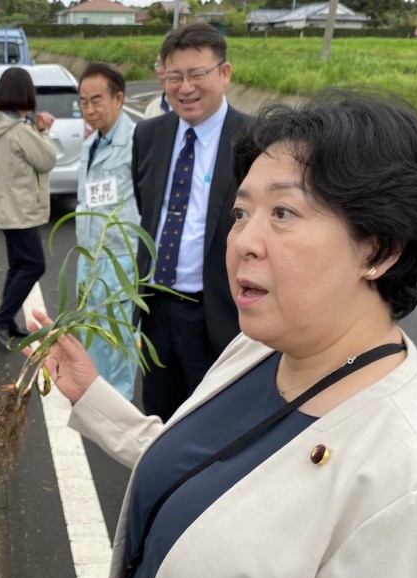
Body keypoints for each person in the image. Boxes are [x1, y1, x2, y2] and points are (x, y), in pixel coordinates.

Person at [30, 90, 417, 578]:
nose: (244, 241)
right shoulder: (261, 351)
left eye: (283, 213)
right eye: (241, 212)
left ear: (380, 249)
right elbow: (217, 479)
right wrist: (93, 396)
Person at [132, 23, 250, 422]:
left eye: (197, 74)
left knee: (215, 423)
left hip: (218, 312)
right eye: (173, 77)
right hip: (155, 309)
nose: (185, 88)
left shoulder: (254, 140)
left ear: (224, 74)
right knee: (158, 417)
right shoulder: (148, 136)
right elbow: (147, 211)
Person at [74, 63, 140, 400]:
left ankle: (120, 408)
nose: (89, 110)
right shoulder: (92, 144)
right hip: (91, 260)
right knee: (93, 337)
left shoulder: (135, 143)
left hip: (119, 263)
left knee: (118, 343)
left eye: (96, 100)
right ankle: (99, 404)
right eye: (83, 102)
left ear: (119, 98)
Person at [0, 67, 57, 349]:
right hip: (19, 212)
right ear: (25, 93)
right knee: (34, 265)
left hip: (9, 209)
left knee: (19, 266)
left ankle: (6, 319)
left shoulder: (6, 124)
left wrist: (36, 129)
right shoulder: (19, 130)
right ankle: (1, 319)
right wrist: (46, 132)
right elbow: (47, 159)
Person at [142, 53, 170, 119]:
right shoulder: (152, 109)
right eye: (158, 65)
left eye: (164, 65)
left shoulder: (192, 109)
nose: (159, 71)